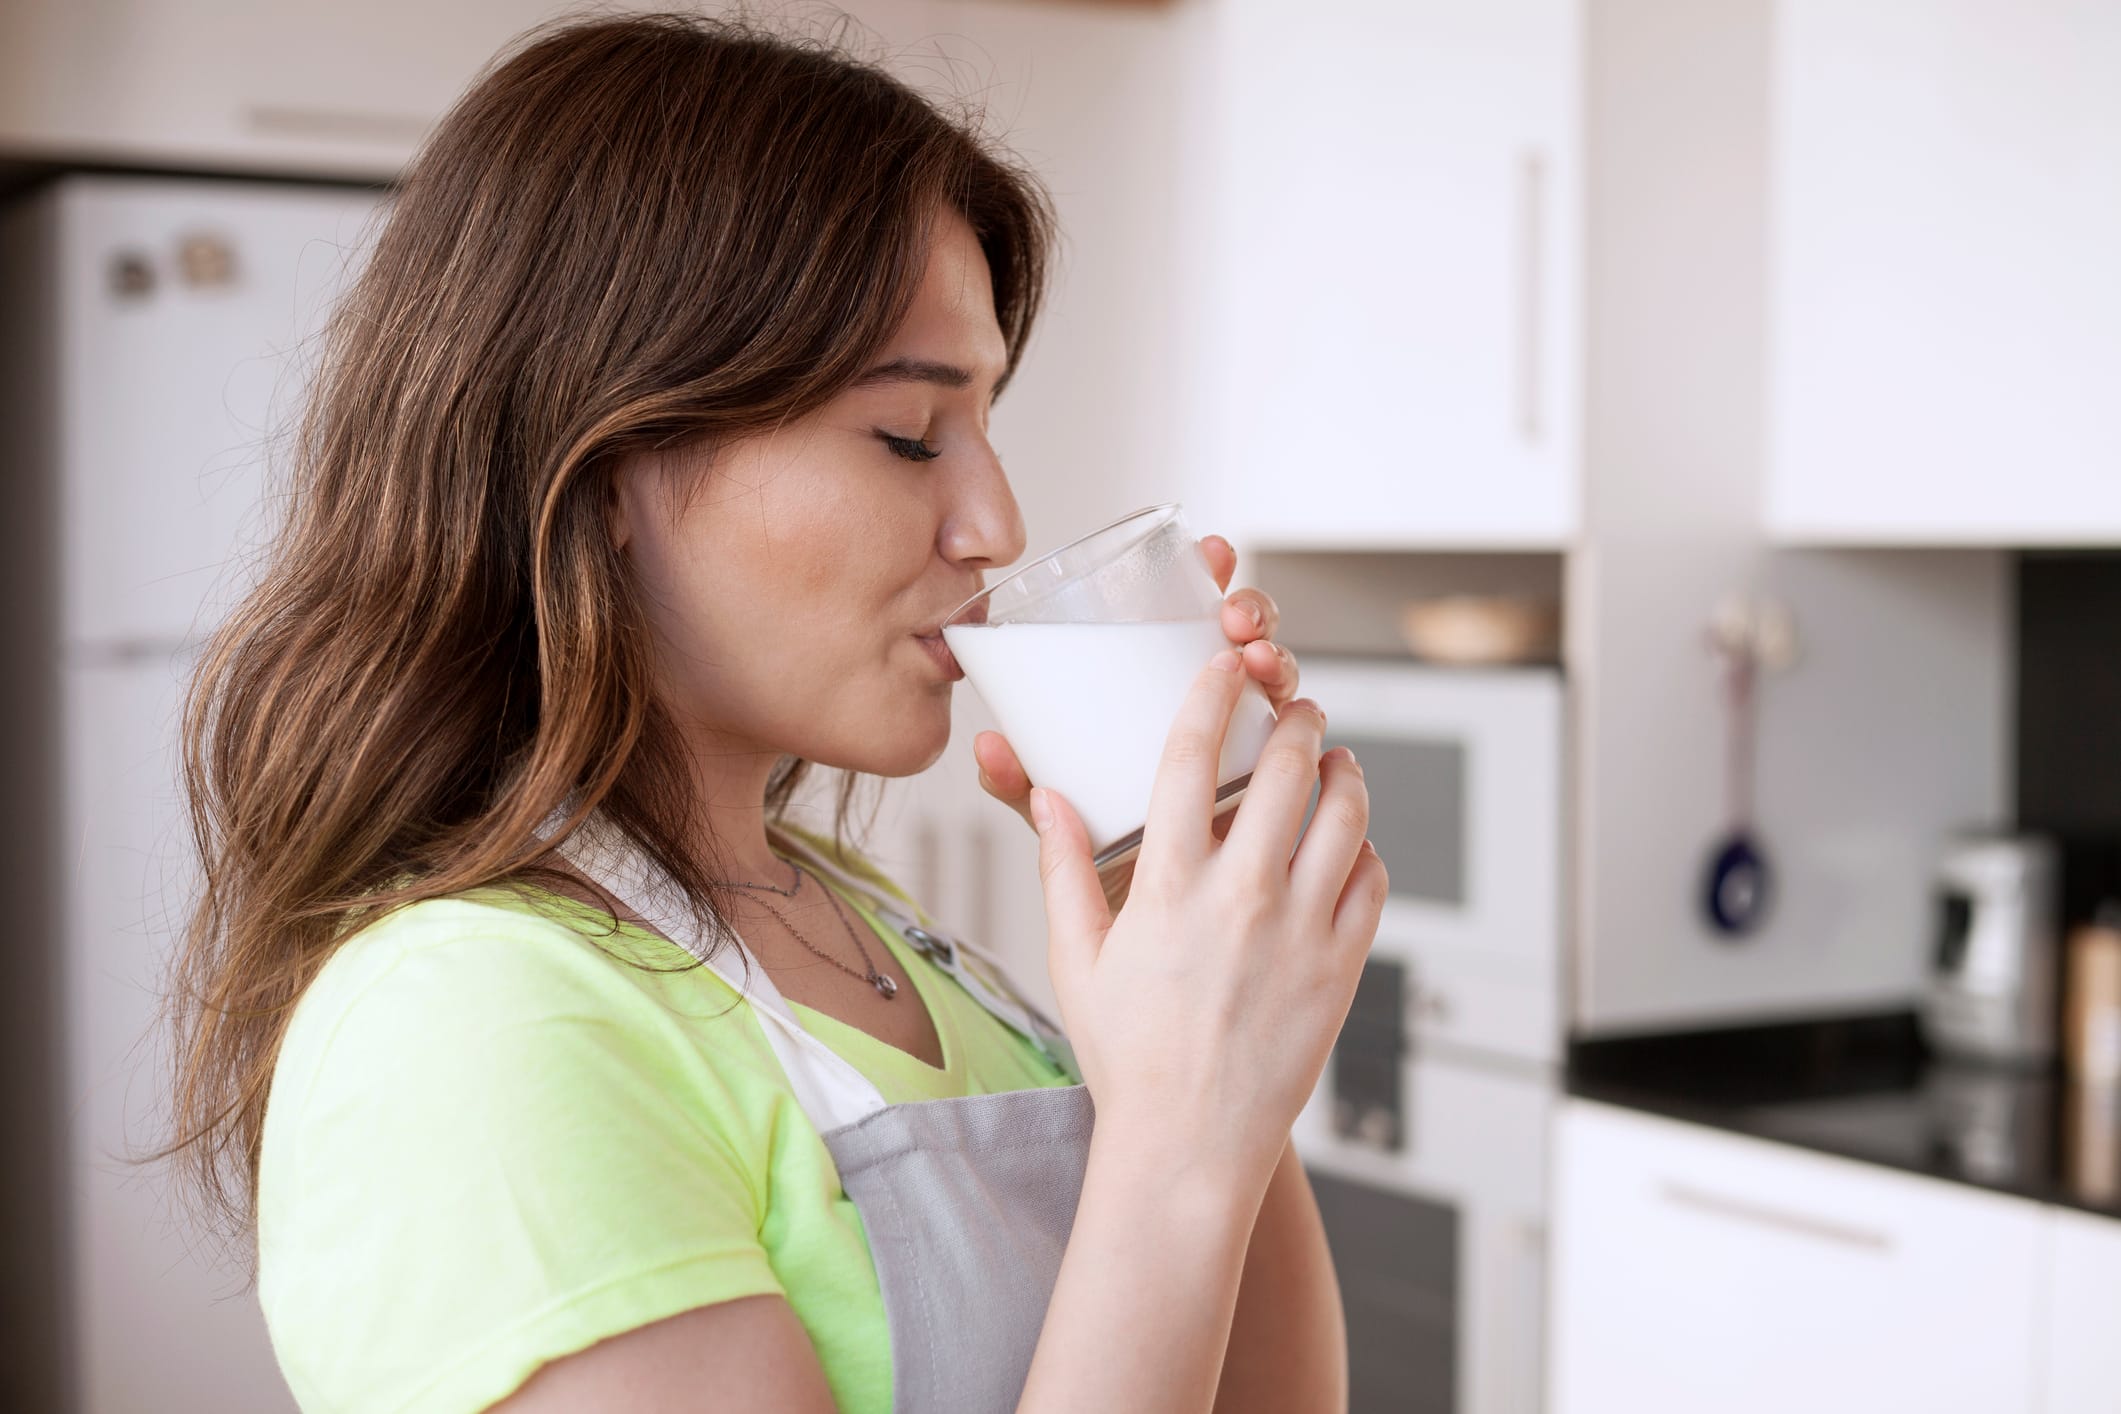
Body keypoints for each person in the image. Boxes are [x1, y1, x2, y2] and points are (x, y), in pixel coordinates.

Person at [165, 12, 1387, 1412]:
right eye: (910, 436)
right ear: (607, 472)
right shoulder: (466, 1029)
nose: (995, 523)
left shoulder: (868, 927)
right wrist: (1171, 1141)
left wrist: (1197, 978)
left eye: (985, 422)